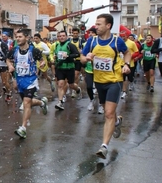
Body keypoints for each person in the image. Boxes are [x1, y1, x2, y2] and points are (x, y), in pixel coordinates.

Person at [81, 13, 131, 159]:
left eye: (99, 24)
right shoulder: (92, 41)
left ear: (108, 26)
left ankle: (104, 146)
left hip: (114, 81)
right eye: (96, 24)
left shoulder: (117, 41)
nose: (96, 27)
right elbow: (82, 58)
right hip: (99, 81)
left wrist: (126, 65)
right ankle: (117, 121)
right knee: (107, 110)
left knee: (108, 113)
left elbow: (127, 53)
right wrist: (87, 58)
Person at [7, 29, 48, 139]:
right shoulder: (14, 50)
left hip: (31, 80)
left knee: (26, 102)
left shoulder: (34, 51)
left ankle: (23, 128)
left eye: (20, 36)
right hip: (20, 80)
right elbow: (8, 59)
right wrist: (10, 66)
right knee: (28, 103)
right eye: (17, 37)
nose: (18, 39)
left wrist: (42, 64)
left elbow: (41, 60)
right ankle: (41, 103)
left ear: (26, 38)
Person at [54, 30, 82, 110]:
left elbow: (77, 54)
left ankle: (78, 89)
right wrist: (55, 58)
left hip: (69, 68)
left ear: (66, 37)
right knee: (60, 84)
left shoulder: (70, 45)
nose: (61, 37)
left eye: (63, 36)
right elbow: (57, 55)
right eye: (60, 36)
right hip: (60, 68)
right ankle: (60, 102)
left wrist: (68, 56)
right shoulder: (57, 46)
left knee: (71, 84)